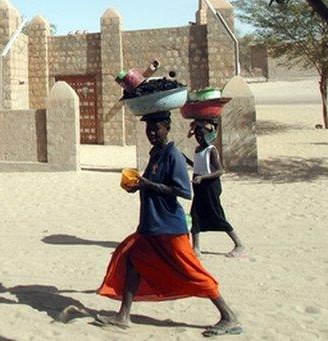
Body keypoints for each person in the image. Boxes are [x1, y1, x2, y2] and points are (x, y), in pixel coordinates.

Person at [94, 111, 242, 337]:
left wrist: (148, 184)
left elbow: (183, 191)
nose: (152, 133)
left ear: (167, 128)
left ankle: (228, 315)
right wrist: (137, 185)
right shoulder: (157, 153)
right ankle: (123, 316)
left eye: (157, 128)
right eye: (149, 129)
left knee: (192, 270)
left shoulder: (172, 154)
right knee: (132, 261)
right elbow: (149, 181)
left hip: (169, 227)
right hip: (151, 224)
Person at [188, 120, 247, 258]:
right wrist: (185, 160)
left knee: (216, 214)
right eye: (197, 135)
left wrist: (203, 177)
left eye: (202, 135)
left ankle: (239, 244)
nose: (199, 138)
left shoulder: (211, 150)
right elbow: (198, 165)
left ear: (209, 135)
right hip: (198, 187)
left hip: (210, 186)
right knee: (195, 215)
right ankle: (196, 248)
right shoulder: (198, 149)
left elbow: (220, 170)